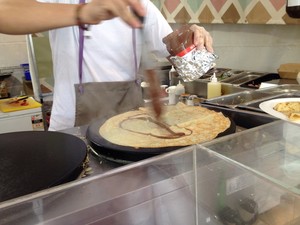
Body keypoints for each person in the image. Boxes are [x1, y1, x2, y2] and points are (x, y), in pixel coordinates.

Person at [0, 0, 145, 34]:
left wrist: (169, 41)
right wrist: (82, 12)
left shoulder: (138, 4)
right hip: (71, 109)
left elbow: (165, 43)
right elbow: (4, 11)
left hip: (132, 110)